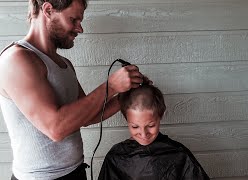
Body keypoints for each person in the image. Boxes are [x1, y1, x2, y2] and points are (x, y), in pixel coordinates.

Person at [0, 0, 146, 179]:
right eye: (74, 19)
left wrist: (126, 94)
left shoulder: (64, 64)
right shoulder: (16, 59)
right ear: (47, 10)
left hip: (75, 172)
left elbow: (88, 116)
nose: (80, 28)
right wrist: (111, 86)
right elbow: (55, 128)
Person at [98, 84, 210, 180]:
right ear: (126, 119)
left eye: (151, 125)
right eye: (135, 126)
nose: (143, 134)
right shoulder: (116, 157)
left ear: (160, 116)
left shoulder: (179, 155)